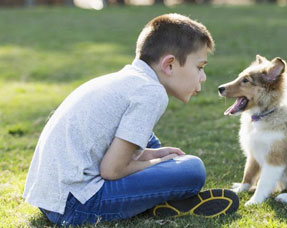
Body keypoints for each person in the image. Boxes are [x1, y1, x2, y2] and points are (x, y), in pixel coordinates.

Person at [23, 13, 239, 226]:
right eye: (199, 67)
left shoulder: (125, 80)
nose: (203, 77)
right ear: (169, 65)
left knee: (151, 140)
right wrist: (157, 162)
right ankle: (156, 200)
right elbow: (111, 170)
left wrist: (150, 153)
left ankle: (151, 198)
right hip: (76, 205)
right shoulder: (151, 92)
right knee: (193, 169)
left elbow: (104, 150)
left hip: (50, 198)